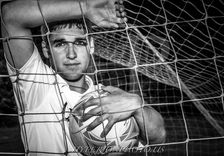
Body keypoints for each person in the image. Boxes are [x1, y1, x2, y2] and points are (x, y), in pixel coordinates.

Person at [1, 0, 166, 155]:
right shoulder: (36, 84)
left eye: (79, 43)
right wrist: (85, 7)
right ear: (46, 49)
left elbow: (159, 139)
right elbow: (10, 16)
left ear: (91, 46)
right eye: (61, 44)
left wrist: (138, 106)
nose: (71, 54)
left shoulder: (109, 99)